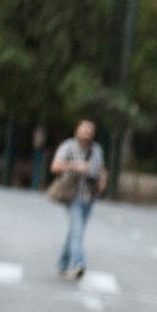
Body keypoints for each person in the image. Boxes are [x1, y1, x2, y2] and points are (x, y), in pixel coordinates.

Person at [51, 120, 107, 280]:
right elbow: (55, 166)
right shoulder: (68, 146)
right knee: (77, 229)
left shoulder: (96, 149)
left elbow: (101, 167)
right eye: (84, 130)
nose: (87, 133)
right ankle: (78, 264)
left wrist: (103, 178)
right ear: (77, 131)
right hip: (72, 195)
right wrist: (76, 166)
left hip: (89, 195)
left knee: (76, 231)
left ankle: (63, 263)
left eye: (90, 131)